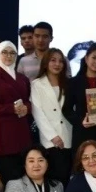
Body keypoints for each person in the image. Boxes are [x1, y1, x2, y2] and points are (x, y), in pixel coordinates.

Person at [0, 41, 32, 182]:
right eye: (4, 52)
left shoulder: (22, 78)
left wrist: (27, 108)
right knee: (4, 176)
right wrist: (10, 108)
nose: (9, 56)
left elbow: (28, 101)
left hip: (21, 131)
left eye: (12, 53)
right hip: (1, 133)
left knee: (22, 175)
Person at [62, 42, 96, 159]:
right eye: (94, 57)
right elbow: (67, 110)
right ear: (86, 58)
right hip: (82, 134)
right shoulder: (73, 82)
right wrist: (81, 121)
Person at [31, 48, 74, 183]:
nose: (57, 64)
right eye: (53, 60)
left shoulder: (69, 83)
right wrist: (53, 136)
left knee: (66, 177)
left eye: (60, 61)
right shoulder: (37, 84)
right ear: (46, 63)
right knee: (52, 178)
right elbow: (37, 113)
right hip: (49, 140)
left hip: (68, 135)